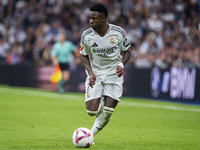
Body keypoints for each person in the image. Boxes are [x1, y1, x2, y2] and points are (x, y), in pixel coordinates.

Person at [80, 3, 131, 140]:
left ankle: (90, 136)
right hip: (96, 74)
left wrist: (121, 64)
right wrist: (90, 72)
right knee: (91, 111)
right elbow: (83, 54)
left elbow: (127, 51)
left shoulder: (118, 32)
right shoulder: (86, 35)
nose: (91, 21)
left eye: (94, 18)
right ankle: (100, 100)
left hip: (113, 74)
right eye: (90, 18)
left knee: (108, 112)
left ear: (103, 19)